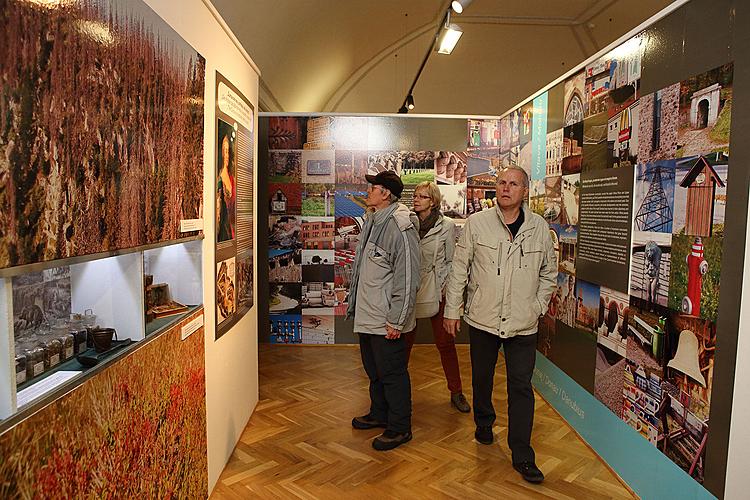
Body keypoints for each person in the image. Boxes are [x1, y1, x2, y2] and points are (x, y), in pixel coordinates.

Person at [443, 165, 557, 484]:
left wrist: (537, 306)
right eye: (502, 183)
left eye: (514, 184)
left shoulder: (538, 227)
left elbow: (549, 273)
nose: (506, 188)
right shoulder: (477, 224)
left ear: (524, 191)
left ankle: (522, 454)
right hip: (482, 319)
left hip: (523, 322)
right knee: (482, 377)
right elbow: (459, 271)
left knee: (520, 386)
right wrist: (452, 310)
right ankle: (483, 422)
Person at [347, 170, 420, 451]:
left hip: (385, 319)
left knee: (392, 373)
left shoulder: (400, 226)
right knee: (374, 370)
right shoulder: (373, 220)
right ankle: (379, 413)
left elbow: (408, 276)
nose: (368, 191)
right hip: (369, 315)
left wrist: (397, 320)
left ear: (385, 193)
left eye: (373, 187)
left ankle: (400, 427)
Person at [403, 181, 470, 413]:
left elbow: (451, 261)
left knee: (445, 343)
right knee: (403, 344)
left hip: (436, 289)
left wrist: (447, 290)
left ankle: (456, 391)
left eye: (422, 196)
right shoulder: (408, 223)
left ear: (432, 201)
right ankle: (398, 393)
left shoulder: (446, 226)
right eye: (415, 196)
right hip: (410, 290)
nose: (416, 199)